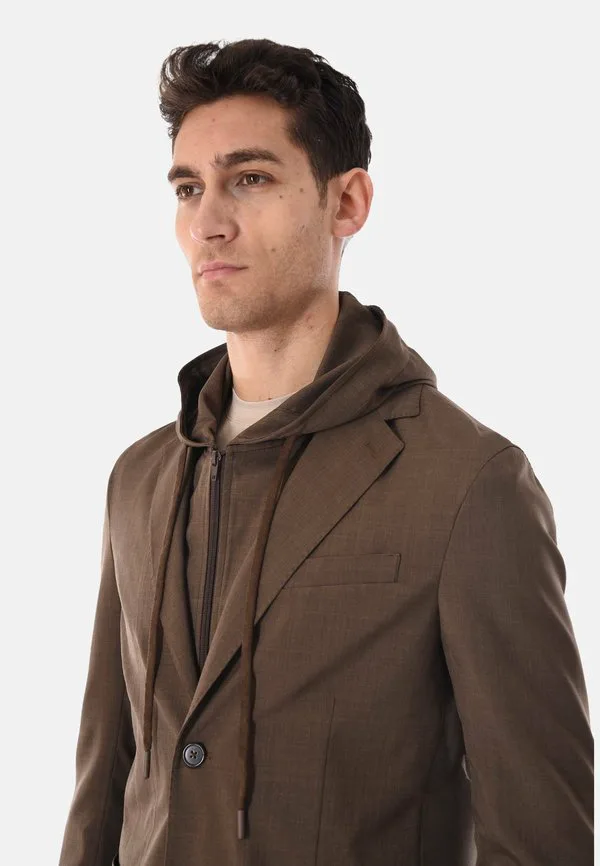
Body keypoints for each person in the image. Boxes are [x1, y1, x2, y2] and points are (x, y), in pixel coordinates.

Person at [58, 37, 593, 866]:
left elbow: (539, 841)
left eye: (250, 179)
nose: (208, 223)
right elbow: (103, 790)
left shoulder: (467, 483)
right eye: (189, 188)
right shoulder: (139, 478)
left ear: (347, 203)